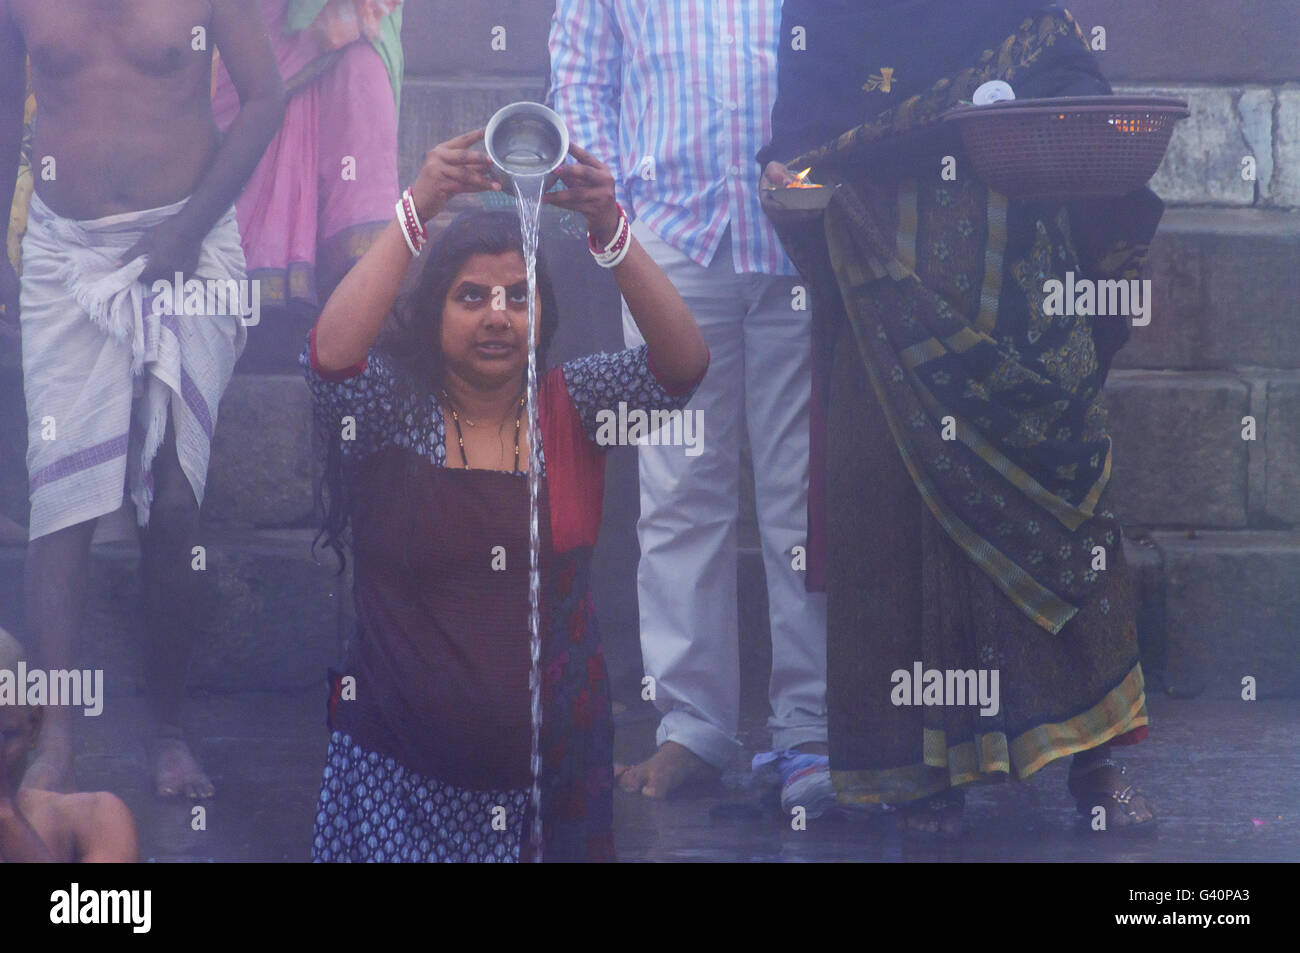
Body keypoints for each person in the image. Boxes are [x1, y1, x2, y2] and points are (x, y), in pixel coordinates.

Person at [757, 1, 1158, 833]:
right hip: (884, 300)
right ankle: (918, 775)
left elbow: (1088, 97)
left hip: (1025, 294)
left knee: (1065, 511)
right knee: (898, 530)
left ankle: (1097, 756)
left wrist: (1010, 120)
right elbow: (799, 143)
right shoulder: (827, 15)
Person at [304, 129, 709, 861]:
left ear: (541, 318)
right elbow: (331, 356)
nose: (497, 315)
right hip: (392, 784)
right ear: (434, 312)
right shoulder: (389, 409)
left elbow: (683, 364)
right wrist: (419, 204)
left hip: (551, 793)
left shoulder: (576, 404)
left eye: (517, 298)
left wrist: (608, 226)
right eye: (471, 297)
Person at [549, 0, 833, 810]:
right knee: (678, 491)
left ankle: (808, 730)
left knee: (800, 491)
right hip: (668, 234)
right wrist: (618, 192)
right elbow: (580, 75)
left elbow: (854, 50)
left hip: (800, 229)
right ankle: (693, 727)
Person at [0, 0, 286, 799]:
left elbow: (266, 98)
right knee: (59, 493)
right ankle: (56, 737)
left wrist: (188, 231)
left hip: (189, 240)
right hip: (65, 249)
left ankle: (167, 729)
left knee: (176, 492)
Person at [211, 0, 403, 369]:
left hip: (352, 24)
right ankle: (263, 300)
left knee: (360, 74)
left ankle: (360, 307)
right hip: (257, 24)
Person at [0, 627, 139, 862]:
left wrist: (6, 816)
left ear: (33, 727)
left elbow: (102, 900)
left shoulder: (94, 819)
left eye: (5, 736)